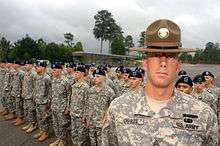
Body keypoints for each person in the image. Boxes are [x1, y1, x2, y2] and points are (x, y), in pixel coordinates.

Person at [101, 19, 218, 145]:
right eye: (156, 55)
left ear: (178, 65)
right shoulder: (118, 108)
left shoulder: (203, 114)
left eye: (170, 56)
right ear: (145, 63)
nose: (163, 63)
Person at [85, 68, 115, 146]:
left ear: (104, 77)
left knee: (102, 142)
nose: (95, 78)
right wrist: (87, 118)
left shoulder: (109, 92)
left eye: (98, 76)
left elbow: (111, 109)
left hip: (102, 123)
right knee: (92, 140)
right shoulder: (90, 90)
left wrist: (107, 123)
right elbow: (88, 105)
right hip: (91, 122)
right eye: (94, 76)